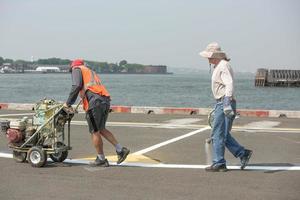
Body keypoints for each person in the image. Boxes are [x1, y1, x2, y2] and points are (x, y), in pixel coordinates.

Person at [64, 59, 130, 167]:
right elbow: (86, 87)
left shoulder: (77, 69)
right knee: (101, 128)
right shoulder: (90, 71)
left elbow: (76, 85)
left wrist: (68, 103)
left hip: (95, 102)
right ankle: (120, 150)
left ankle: (101, 159)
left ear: (73, 66)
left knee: (95, 131)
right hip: (104, 100)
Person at [199, 42, 252, 172]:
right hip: (223, 102)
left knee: (217, 133)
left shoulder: (222, 66)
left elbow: (229, 83)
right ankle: (242, 153)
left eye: (209, 56)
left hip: (224, 102)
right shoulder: (220, 65)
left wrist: (226, 102)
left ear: (215, 56)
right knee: (222, 134)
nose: (208, 58)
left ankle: (219, 162)